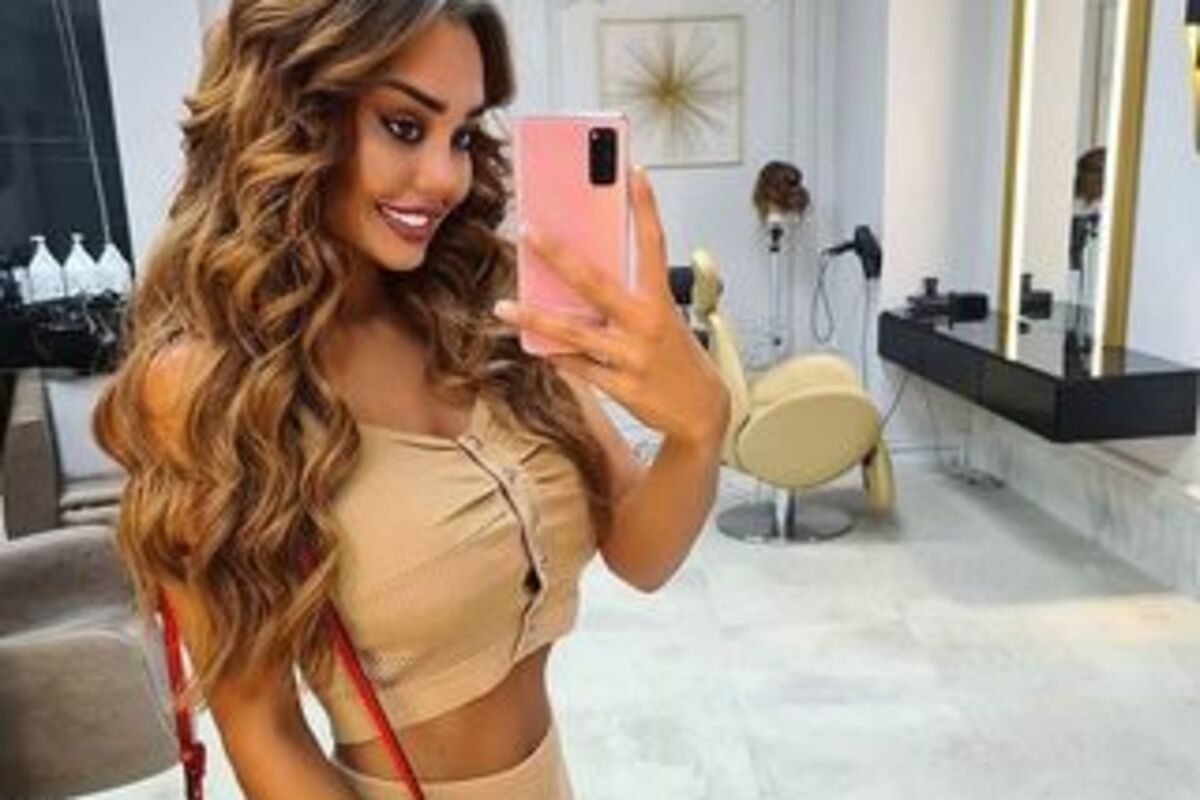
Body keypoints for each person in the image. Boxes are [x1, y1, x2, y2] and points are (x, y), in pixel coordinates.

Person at [92, 1, 729, 798]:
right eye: (404, 126)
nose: (446, 177)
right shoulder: (206, 386)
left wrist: (700, 426)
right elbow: (264, 733)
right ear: (293, 115)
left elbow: (643, 553)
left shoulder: (487, 305)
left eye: (461, 134)